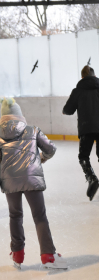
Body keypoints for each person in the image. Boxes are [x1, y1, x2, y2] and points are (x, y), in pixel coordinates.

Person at [0, 98, 67, 270]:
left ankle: (17, 254)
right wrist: (41, 159)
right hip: (32, 178)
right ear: (20, 115)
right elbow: (51, 149)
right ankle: (48, 256)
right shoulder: (32, 130)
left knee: (15, 216)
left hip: (10, 181)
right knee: (39, 216)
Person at [63, 65, 99, 200]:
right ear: (94, 76)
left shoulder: (78, 91)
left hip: (86, 127)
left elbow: (67, 110)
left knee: (83, 156)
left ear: (82, 77)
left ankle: (91, 178)